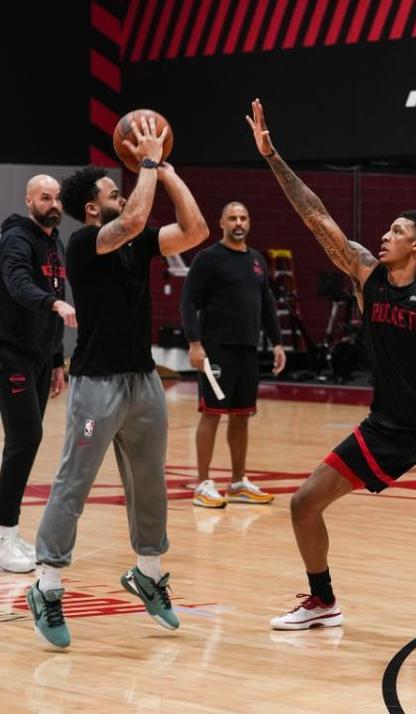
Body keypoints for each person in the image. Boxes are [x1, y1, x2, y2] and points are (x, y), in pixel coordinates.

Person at [246, 99, 416, 631]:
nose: (384, 235)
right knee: (304, 503)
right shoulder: (365, 275)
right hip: (386, 427)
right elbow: (315, 216)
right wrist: (272, 156)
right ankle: (322, 601)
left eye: (396, 231)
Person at [26, 116, 208, 648]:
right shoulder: (85, 243)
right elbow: (130, 221)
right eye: (112, 191)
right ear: (91, 208)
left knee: (150, 482)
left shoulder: (138, 241)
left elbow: (196, 230)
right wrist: (147, 161)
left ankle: (148, 574)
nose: (123, 194)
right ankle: (47, 583)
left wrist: (167, 172)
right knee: (74, 483)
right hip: (96, 384)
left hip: (143, 381)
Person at [180, 201, 286, 508]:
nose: (239, 223)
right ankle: (203, 484)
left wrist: (278, 343)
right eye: (233, 218)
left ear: (249, 222)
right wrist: (195, 343)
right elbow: (188, 302)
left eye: (243, 218)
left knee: (242, 415)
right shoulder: (208, 259)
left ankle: (238, 483)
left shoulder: (256, 260)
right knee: (212, 413)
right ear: (222, 223)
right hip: (216, 350)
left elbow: (266, 304)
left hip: (248, 350)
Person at [0, 175, 76, 573]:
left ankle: (8, 531)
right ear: (29, 200)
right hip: (10, 353)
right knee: (25, 438)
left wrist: (57, 359)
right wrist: (54, 305)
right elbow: (17, 285)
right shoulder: (16, 239)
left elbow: (55, 295)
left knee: (27, 439)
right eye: (45, 197)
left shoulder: (55, 243)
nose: (53, 204)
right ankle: (4, 535)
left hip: (41, 356)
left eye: (57, 198)